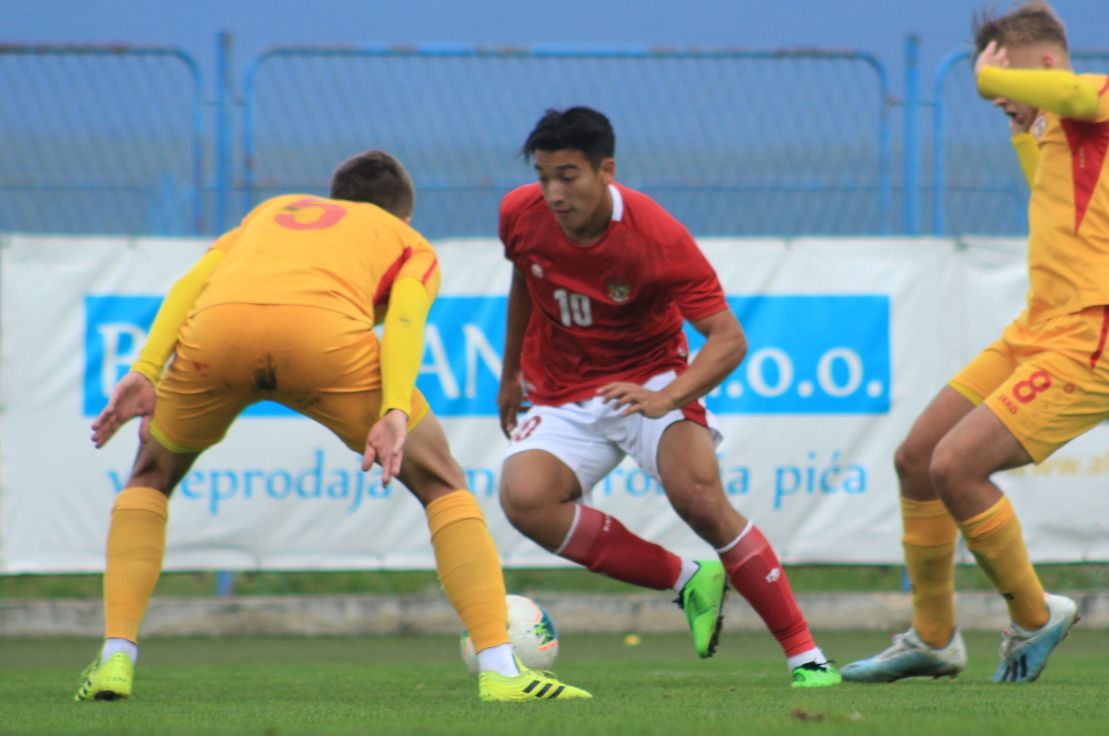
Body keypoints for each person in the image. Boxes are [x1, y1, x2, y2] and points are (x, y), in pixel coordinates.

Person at [77, 150, 590, 704]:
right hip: (324, 345)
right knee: (442, 482)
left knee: (149, 475)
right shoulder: (406, 241)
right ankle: (500, 668)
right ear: (404, 216)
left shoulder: (270, 213)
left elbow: (192, 283)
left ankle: (114, 660)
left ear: (333, 199)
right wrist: (394, 407)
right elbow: (405, 318)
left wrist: (145, 369)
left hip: (215, 338)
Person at [842, 0, 1109, 684]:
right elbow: (1052, 190)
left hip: (1096, 335)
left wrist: (989, 77)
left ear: (1040, 65)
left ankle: (1037, 616)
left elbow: (1062, 93)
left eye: (1009, 82)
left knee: (957, 468)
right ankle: (933, 637)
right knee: (918, 459)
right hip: (1037, 331)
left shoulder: (1101, 98)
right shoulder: (1049, 133)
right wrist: (1017, 116)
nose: (1000, 100)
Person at [495, 106, 841, 689]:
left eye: (568, 176)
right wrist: (510, 374)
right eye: (543, 175)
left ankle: (806, 656)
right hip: (560, 390)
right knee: (524, 499)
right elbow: (525, 280)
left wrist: (668, 397)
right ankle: (687, 579)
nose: (553, 192)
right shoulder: (518, 213)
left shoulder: (655, 236)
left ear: (607, 170)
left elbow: (729, 340)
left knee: (699, 498)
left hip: (649, 378)